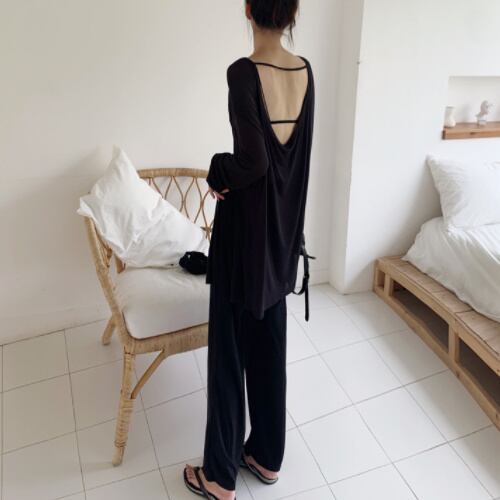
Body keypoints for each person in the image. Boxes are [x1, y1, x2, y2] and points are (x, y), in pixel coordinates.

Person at [184, 0, 315, 498]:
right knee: (269, 348)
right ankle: (265, 456)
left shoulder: (243, 73)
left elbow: (253, 161)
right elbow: (293, 163)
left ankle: (219, 477)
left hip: (242, 239)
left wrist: (217, 169)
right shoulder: (305, 71)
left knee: (228, 355)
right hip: (282, 237)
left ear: (247, 9)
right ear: (293, 14)